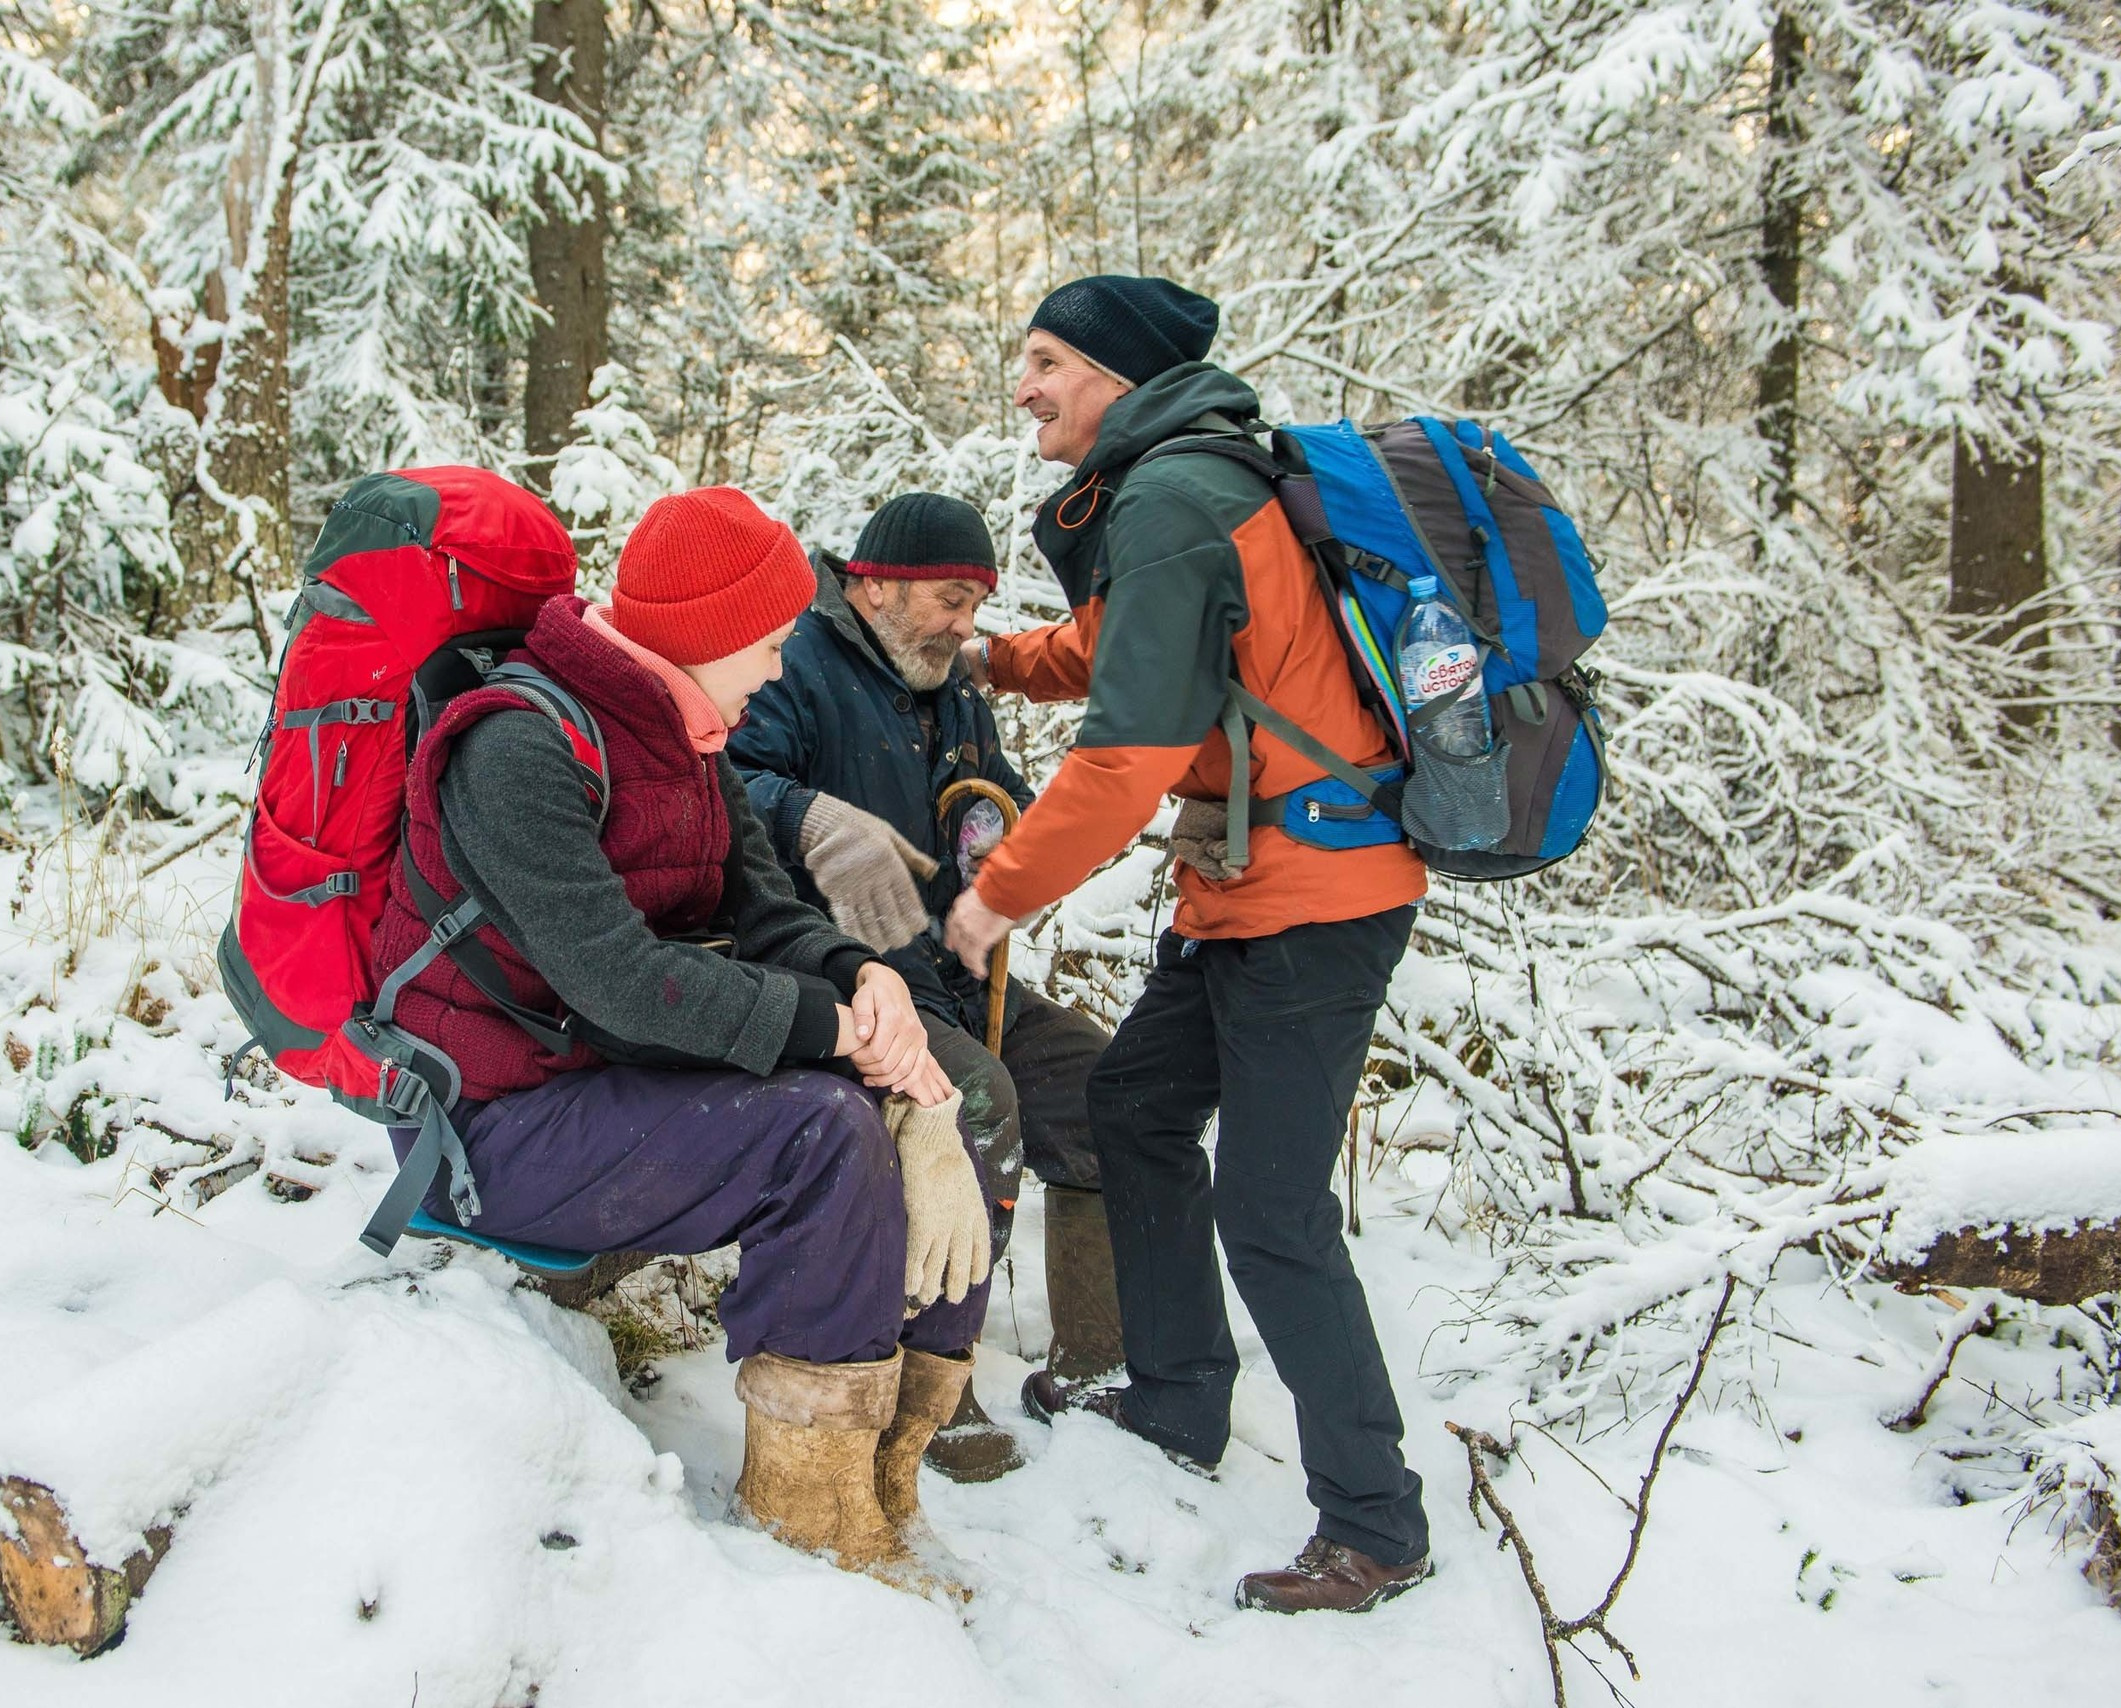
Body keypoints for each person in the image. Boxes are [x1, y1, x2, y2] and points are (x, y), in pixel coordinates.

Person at [368, 484, 1002, 1585]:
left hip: (601, 1078)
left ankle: (884, 1481)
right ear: (704, 635)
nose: (779, 668)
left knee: (936, 1098)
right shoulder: (518, 749)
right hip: (491, 1126)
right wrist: (835, 1033)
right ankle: (812, 1512)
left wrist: (859, 977)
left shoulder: (686, 731)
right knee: (822, 1132)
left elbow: (764, 910)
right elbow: (620, 982)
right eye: (768, 642)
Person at [941, 275, 1435, 1614]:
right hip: (1253, 888)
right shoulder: (1193, 478)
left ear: (1115, 375)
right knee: (1136, 1105)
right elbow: (1124, 649)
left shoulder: (1172, 495)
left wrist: (995, 899)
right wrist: (993, 660)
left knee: (1274, 1213)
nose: (1026, 386)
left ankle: (1377, 1525)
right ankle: (1175, 1399)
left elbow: (1131, 750)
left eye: (1047, 360)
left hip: (1314, 901)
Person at [729, 493, 1122, 1483]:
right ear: (875, 586)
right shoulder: (793, 662)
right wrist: (808, 812)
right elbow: (727, 785)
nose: (964, 625)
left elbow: (995, 798)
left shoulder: (949, 688)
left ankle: (1096, 1367)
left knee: (1105, 1089)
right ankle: (931, 1391)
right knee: (974, 1098)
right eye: (950, 599)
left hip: (949, 971)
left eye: (973, 604)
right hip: (834, 974)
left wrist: (1007, 836)